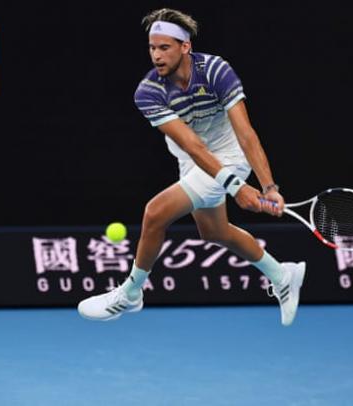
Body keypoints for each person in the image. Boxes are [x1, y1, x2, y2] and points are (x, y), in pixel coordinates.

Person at [78, 8, 306, 326]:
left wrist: (268, 187)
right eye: (152, 48)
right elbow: (192, 147)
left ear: (185, 46)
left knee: (155, 213)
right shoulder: (148, 92)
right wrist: (237, 189)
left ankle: (130, 294)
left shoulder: (215, 70)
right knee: (214, 231)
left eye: (164, 47)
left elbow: (246, 133)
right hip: (193, 157)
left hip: (230, 154)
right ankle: (282, 275)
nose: (156, 55)